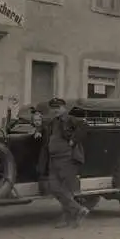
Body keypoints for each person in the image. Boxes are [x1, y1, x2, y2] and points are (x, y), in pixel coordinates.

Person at [40, 97, 88, 228]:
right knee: (55, 187)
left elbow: (84, 126)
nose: (55, 110)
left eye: (58, 108)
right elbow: (47, 133)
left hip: (66, 159)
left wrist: (73, 140)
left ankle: (69, 218)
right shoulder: (53, 122)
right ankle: (77, 210)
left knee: (65, 189)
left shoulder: (69, 119)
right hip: (53, 159)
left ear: (64, 108)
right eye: (53, 108)